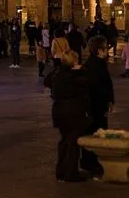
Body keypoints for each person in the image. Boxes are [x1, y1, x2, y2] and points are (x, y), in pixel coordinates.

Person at [46, 49, 90, 182]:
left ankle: (61, 170)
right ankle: (71, 173)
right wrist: (81, 69)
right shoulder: (76, 76)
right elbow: (88, 81)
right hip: (73, 111)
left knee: (64, 140)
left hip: (58, 110)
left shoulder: (57, 73)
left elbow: (46, 81)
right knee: (72, 142)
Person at [80, 36, 113, 176]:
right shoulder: (93, 65)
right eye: (105, 48)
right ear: (99, 50)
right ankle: (89, 162)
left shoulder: (99, 63)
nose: (108, 50)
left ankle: (95, 160)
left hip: (100, 106)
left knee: (98, 132)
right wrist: (105, 102)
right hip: (95, 107)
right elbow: (97, 88)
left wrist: (110, 100)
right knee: (94, 132)